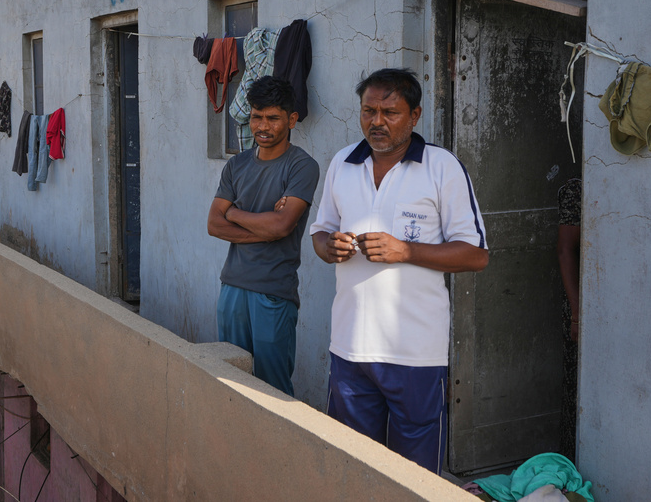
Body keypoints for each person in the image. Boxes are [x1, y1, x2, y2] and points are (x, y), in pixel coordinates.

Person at [310, 67, 489, 474]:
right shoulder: (343, 162)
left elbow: (476, 255)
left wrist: (405, 250)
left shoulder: (441, 167)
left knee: (414, 474)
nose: (377, 122)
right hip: (350, 350)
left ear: (415, 115)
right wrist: (329, 247)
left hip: (416, 354)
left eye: (390, 112)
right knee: (350, 467)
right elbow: (320, 232)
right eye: (368, 111)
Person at [207, 76, 320, 396]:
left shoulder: (302, 166)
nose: (262, 126)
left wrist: (234, 213)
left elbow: (282, 227)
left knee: (272, 388)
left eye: (273, 118)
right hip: (231, 287)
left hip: (274, 293)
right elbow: (214, 225)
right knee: (228, 378)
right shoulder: (237, 165)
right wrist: (264, 226)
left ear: (292, 119)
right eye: (257, 116)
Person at [557, 176, 582, 459]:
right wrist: (576, 314)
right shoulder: (577, 189)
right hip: (581, 306)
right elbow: (565, 251)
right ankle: (570, 461)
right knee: (575, 387)